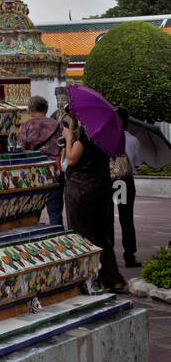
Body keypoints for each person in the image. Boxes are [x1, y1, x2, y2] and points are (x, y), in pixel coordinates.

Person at [61, 109, 126, 292]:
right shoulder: (104, 135)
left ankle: (90, 279)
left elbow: (72, 158)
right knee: (100, 235)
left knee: (83, 235)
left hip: (82, 189)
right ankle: (113, 279)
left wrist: (67, 136)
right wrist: (73, 122)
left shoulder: (88, 134)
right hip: (101, 188)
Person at [19, 95, 63, 226]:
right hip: (55, 170)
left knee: (32, 211)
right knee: (55, 211)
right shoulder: (56, 124)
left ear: (30, 109)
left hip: (34, 170)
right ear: (46, 109)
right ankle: (58, 238)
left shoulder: (26, 125)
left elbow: (21, 149)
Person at [116, 107, 140, 268]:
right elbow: (137, 164)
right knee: (126, 218)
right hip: (124, 182)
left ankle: (106, 254)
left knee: (105, 217)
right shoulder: (133, 140)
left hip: (107, 180)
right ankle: (129, 255)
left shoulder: (105, 139)